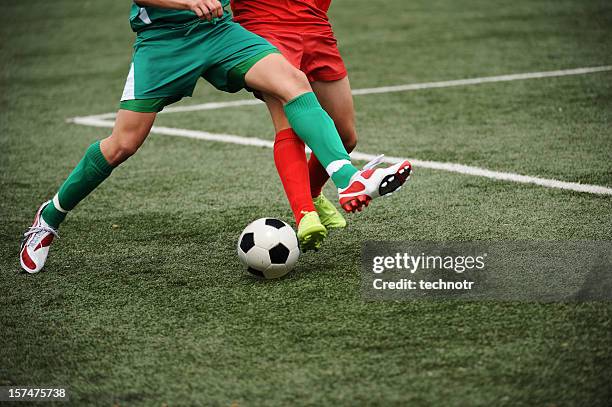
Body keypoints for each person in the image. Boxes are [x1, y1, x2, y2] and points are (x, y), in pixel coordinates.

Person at [19, 0, 412, 273]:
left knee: (292, 82)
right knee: (123, 142)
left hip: (221, 33)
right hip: (165, 43)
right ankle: (49, 217)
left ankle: (348, 181)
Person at [231, 0, 379, 251]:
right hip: (264, 24)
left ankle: (311, 192)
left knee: (345, 136)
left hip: (315, 24)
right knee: (288, 124)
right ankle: (305, 214)